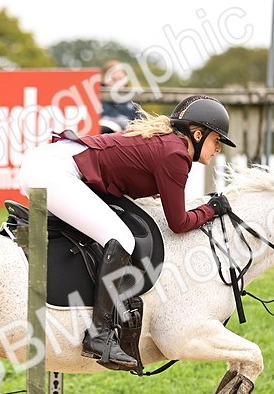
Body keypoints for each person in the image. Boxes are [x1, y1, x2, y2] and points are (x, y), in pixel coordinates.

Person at [18, 95, 235, 371]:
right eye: (217, 140)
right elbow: (178, 223)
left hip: (47, 165)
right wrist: (212, 209)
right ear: (198, 133)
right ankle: (100, 334)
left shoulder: (170, 145)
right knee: (121, 238)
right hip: (52, 172)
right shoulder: (175, 154)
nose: (218, 149)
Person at [99, 60, 140, 133]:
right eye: (113, 79)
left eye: (121, 79)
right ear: (103, 79)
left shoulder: (133, 99)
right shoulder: (95, 97)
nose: (117, 84)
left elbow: (139, 121)